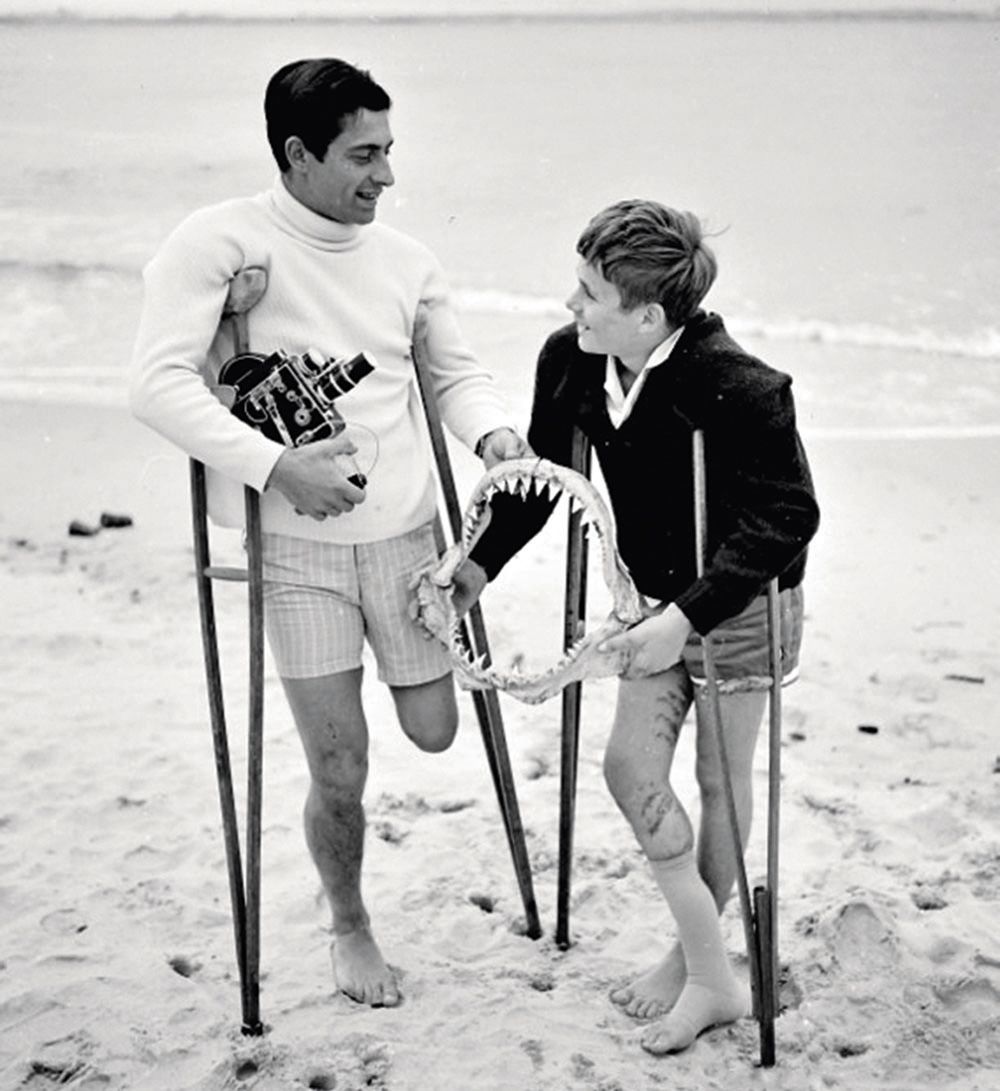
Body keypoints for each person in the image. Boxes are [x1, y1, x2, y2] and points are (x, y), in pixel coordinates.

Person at [130, 57, 528, 1009]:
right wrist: (278, 468)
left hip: (407, 538)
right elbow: (157, 383)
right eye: (364, 154)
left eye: (390, 151)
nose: (386, 175)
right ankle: (350, 922)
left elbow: (453, 376)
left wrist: (494, 433)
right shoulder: (216, 242)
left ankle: (368, 847)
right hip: (294, 551)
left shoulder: (407, 260)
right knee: (339, 763)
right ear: (298, 154)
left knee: (435, 732)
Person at [453, 199, 820, 1053]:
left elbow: (789, 515)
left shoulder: (742, 385)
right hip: (653, 597)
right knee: (630, 769)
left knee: (722, 783)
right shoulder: (572, 360)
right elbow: (545, 483)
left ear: (647, 314)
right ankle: (711, 967)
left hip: (741, 609)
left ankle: (693, 969)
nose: (571, 306)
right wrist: (475, 566)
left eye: (588, 293)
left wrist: (689, 615)